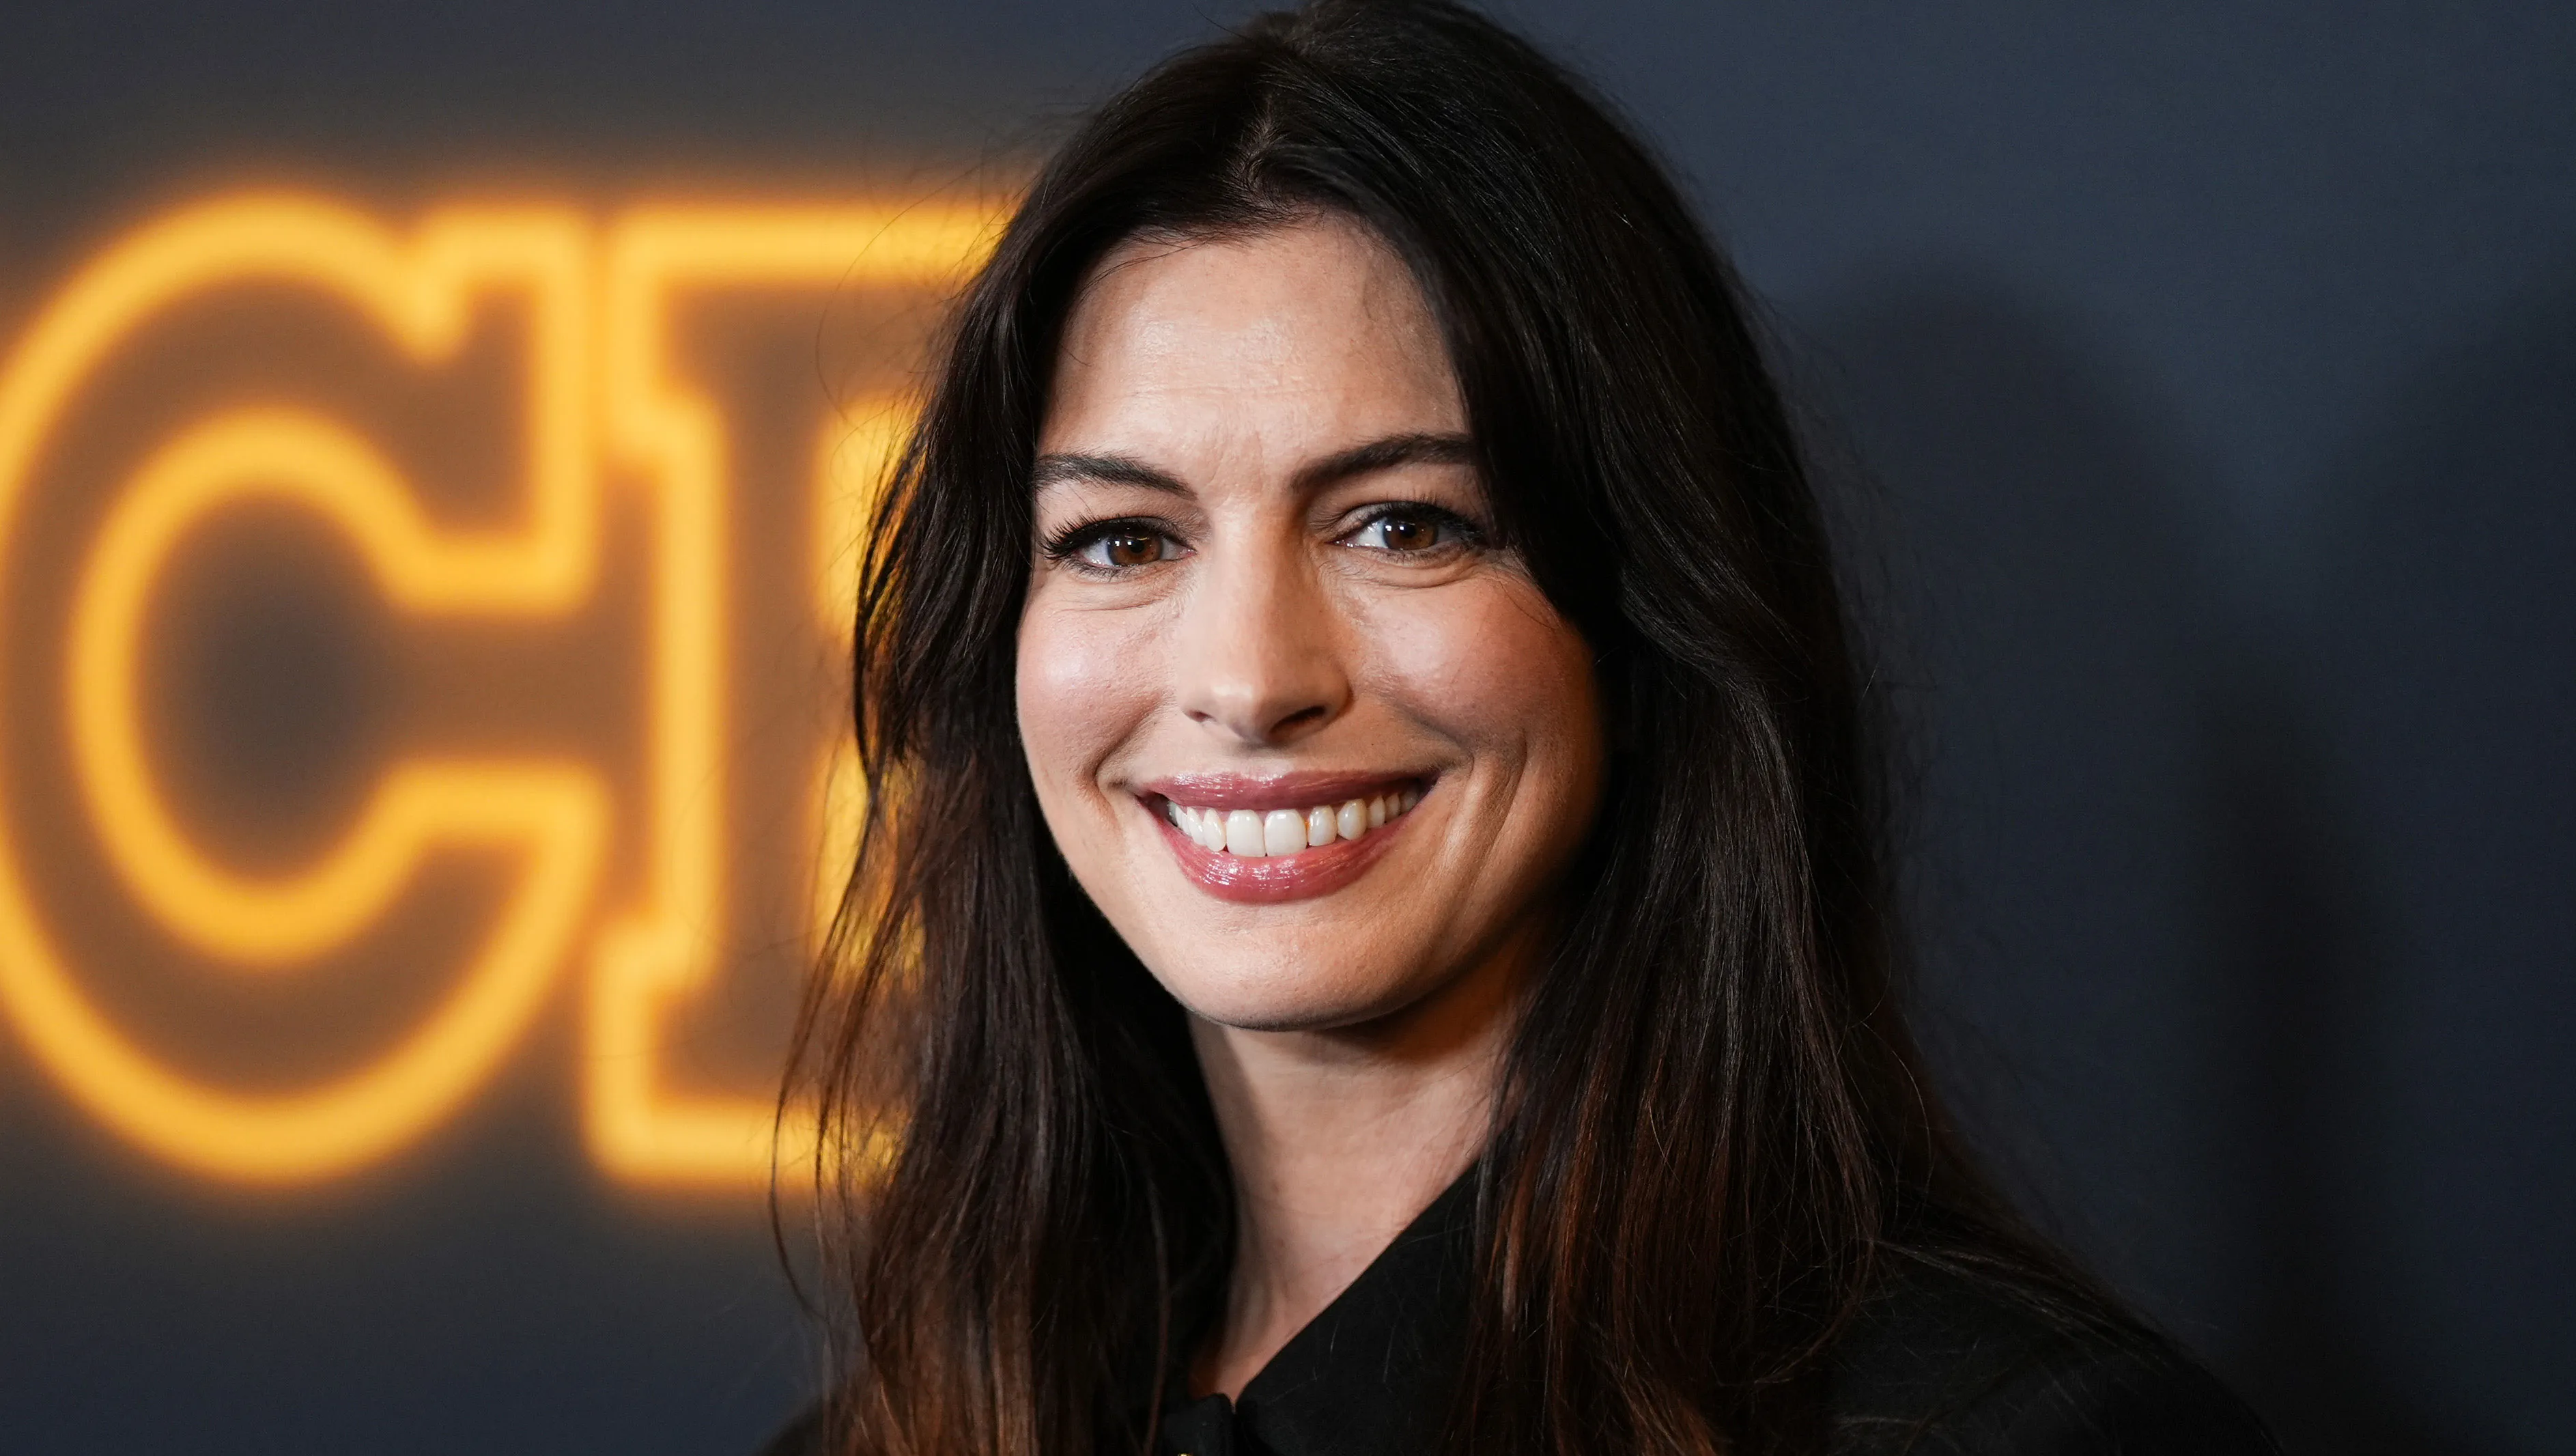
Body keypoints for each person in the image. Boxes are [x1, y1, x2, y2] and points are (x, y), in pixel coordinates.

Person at [774, 2, 2276, 1452]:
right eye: (1120, 540)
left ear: (1643, 614)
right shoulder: (896, 1438)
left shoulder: (2013, 1435)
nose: (1245, 678)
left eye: (1400, 524)